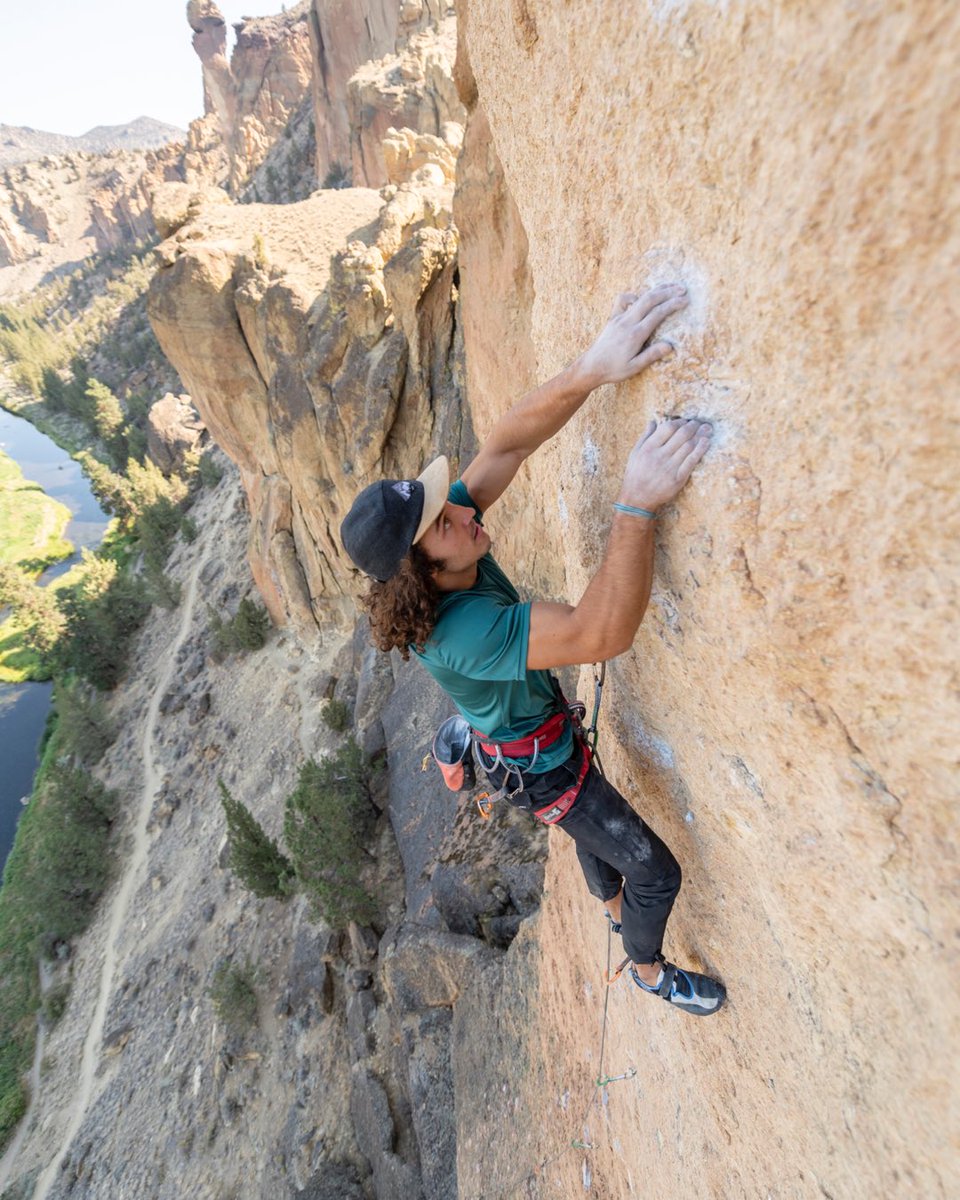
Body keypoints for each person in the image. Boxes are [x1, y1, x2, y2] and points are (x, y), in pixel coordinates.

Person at [340, 283, 724, 1016]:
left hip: (528, 735)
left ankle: (472, 742)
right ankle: (646, 969)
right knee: (655, 872)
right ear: (423, 568)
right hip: (539, 770)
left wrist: (593, 367)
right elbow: (597, 633)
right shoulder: (463, 629)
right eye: (444, 522)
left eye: (449, 506)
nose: (461, 508)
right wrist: (636, 504)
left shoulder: (446, 548)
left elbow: (506, 445)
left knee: (594, 826)